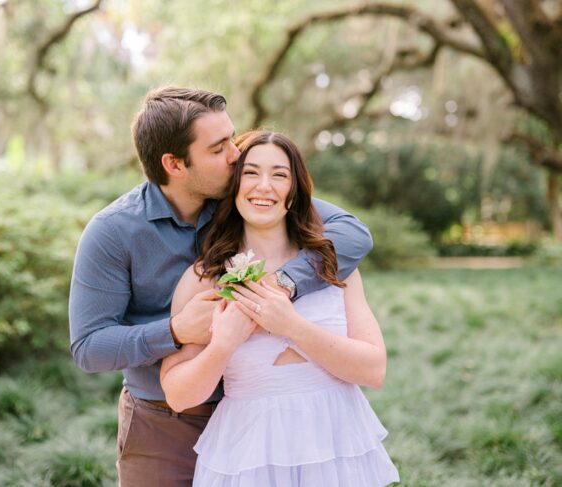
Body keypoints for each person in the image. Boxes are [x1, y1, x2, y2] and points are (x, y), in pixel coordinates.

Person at [68, 87, 374, 486]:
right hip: (166, 424)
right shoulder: (113, 232)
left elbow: (352, 233)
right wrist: (175, 331)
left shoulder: (243, 193)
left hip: (257, 415)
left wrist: (283, 284)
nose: (235, 153)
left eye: (231, 138)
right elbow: (89, 347)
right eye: (218, 148)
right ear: (174, 164)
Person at [161, 130, 399, 485]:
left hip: (335, 444)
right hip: (249, 454)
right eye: (251, 173)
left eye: (280, 175)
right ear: (234, 185)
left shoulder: (332, 265)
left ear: (296, 188)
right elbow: (179, 396)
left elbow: (373, 369)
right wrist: (223, 345)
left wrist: (291, 325)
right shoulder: (204, 277)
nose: (264, 186)